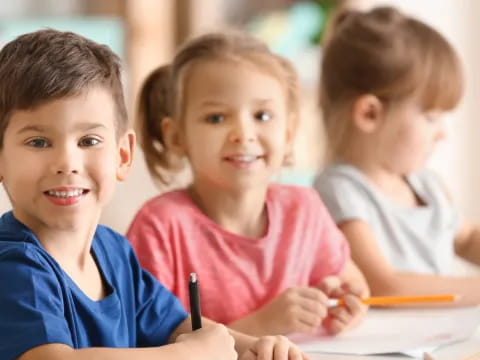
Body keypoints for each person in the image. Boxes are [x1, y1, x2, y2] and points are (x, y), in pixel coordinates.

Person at [0, 29, 305, 360]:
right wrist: (188, 356)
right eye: (38, 142)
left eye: (89, 141)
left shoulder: (114, 252)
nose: (67, 164)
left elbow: (180, 328)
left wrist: (256, 347)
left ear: (123, 155)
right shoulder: (16, 266)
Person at [126, 30, 369, 337]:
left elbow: (354, 286)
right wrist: (259, 326)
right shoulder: (159, 228)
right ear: (177, 137)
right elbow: (143, 345)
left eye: (262, 115)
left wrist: (344, 304)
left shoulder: (304, 209)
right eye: (216, 118)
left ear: (289, 133)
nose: (243, 133)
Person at [314, 6, 480, 304]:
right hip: (388, 350)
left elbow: (466, 238)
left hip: (440, 341)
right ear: (369, 113)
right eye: (431, 117)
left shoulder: (425, 184)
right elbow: (385, 286)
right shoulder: (340, 190)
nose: (442, 133)